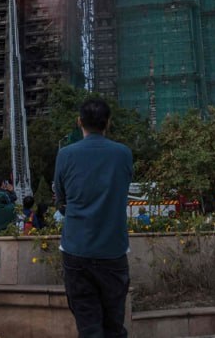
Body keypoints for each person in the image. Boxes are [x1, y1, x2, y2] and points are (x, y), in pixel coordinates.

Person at [53, 98, 133, 337]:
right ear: (108, 122)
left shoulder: (65, 155)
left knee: (88, 325)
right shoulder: (123, 154)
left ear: (80, 122)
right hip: (113, 249)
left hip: (77, 249)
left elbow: (61, 198)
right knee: (114, 325)